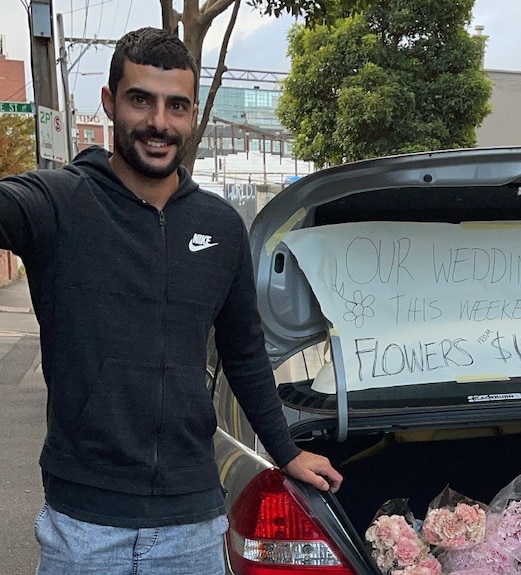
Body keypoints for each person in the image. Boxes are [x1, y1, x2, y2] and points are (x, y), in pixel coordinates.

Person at [0, 27, 342, 573]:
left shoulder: (220, 226)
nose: (160, 123)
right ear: (110, 103)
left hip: (193, 524)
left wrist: (287, 450)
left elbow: (245, 353)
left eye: (176, 106)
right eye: (141, 100)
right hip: (85, 526)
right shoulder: (59, 203)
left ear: (192, 115)